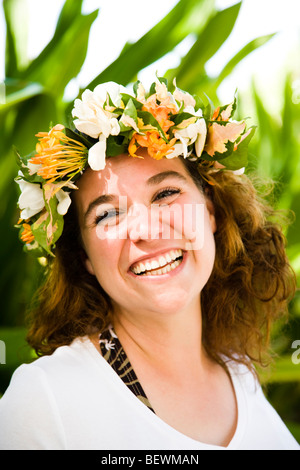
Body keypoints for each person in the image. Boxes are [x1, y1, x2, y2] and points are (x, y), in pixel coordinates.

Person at [0, 78, 298, 450]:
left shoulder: (239, 373)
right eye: (108, 215)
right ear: (85, 258)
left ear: (210, 213)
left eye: (166, 193)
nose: (146, 230)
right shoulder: (47, 400)